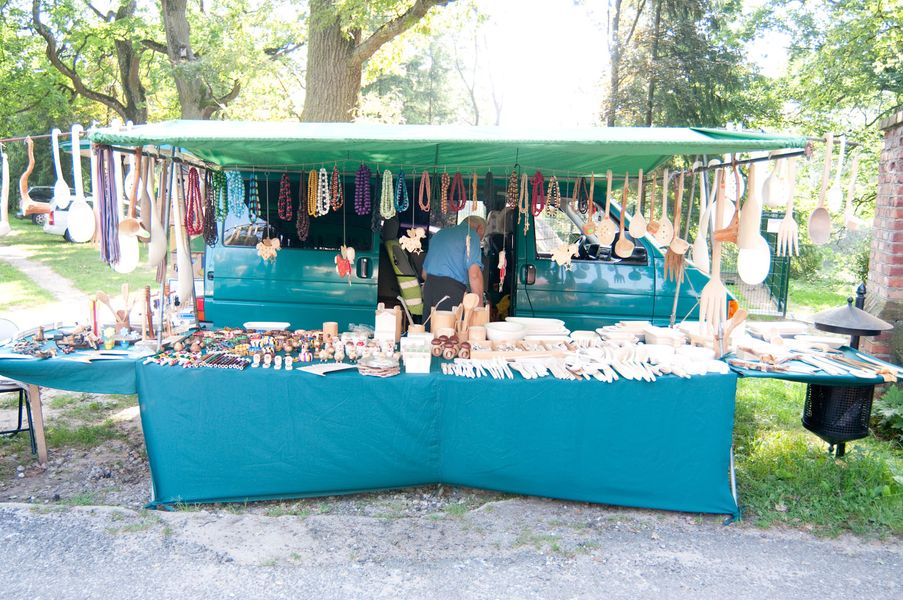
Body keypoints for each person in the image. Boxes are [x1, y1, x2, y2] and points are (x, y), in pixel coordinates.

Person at [422, 215, 486, 313]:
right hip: (451, 291)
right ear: (480, 228)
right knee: (449, 323)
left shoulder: (439, 234)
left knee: (429, 322)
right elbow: (474, 275)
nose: (480, 240)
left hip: (429, 287)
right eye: (482, 237)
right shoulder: (471, 235)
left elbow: (424, 274)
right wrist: (479, 305)